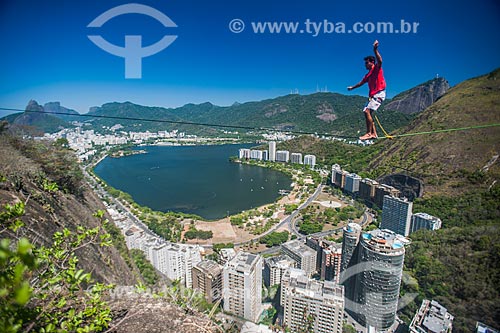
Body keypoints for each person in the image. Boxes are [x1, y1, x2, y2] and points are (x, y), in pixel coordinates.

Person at [348, 40, 386, 140]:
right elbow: (361, 83)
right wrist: (352, 87)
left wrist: (375, 49)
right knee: (366, 111)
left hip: (379, 93)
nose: (365, 65)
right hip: (373, 96)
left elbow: (380, 60)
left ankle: (369, 133)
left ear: (371, 62)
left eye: (366, 63)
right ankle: (374, 133)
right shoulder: (368, 75)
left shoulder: (376, 68)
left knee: (367, 111)